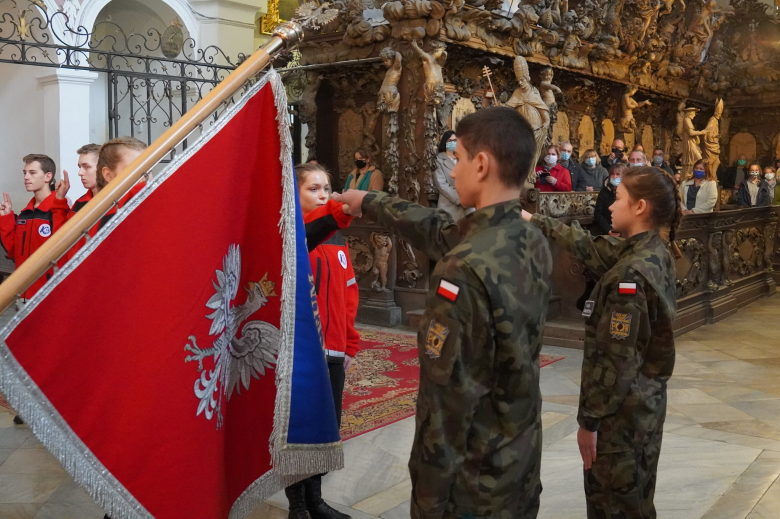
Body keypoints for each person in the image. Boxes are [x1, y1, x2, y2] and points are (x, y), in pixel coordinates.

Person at [333, 106, 553, 518]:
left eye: (459, 159)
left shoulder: (462, 270)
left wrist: (429, 504)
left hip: (471, 486)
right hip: (518, 464)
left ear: (482, 164)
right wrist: (371, 201)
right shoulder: (530, 237)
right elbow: (441, 229)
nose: (452, 172)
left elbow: (446, 407)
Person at [521, 166, 680, 519]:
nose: (610, 205)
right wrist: (532, 219)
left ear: (640, 207)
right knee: (637, 498)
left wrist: (588, 423)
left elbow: (615, 363)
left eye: (618, 198)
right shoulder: (653, 252)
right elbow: (589, 246)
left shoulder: (629, 276)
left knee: (614, 506)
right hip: (644, 408)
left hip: (621, 419)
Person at [285, 163, 359, 519]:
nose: (323, 194)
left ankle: (315, 499)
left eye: (327, 188)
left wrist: (350, 344)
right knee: (299, 431)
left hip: (333, 350)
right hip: (302, 354)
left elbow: (348, 295)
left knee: (325, 429)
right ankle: (297, 505)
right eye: (313, 188)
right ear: (295, 193)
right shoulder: (293, 236)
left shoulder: (338, 238)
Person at [0, 154, 67, 300]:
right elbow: (13, 251)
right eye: (25, 173)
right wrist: (6, 218)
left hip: (48, 294)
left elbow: (64, 250)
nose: (26, 177)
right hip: (22, 293)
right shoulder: (26, 213)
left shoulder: (58, 210)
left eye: (32, 173)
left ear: (48, 176)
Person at [434, 131, 469, 220]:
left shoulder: (464, 159)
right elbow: (442, 185)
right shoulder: (439, 160)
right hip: (448, 205)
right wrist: (459, 199)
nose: (453, 143)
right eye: (449, 140)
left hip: (467, 204)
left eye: (455, 140)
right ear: (445, 142)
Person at [593, 163, 627, 236]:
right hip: (607, 230)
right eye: (612, 174)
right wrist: (608, 230)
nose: (614, 177)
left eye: (618, 174)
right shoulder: (604, 192)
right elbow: (599, 213)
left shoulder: (628, 191)